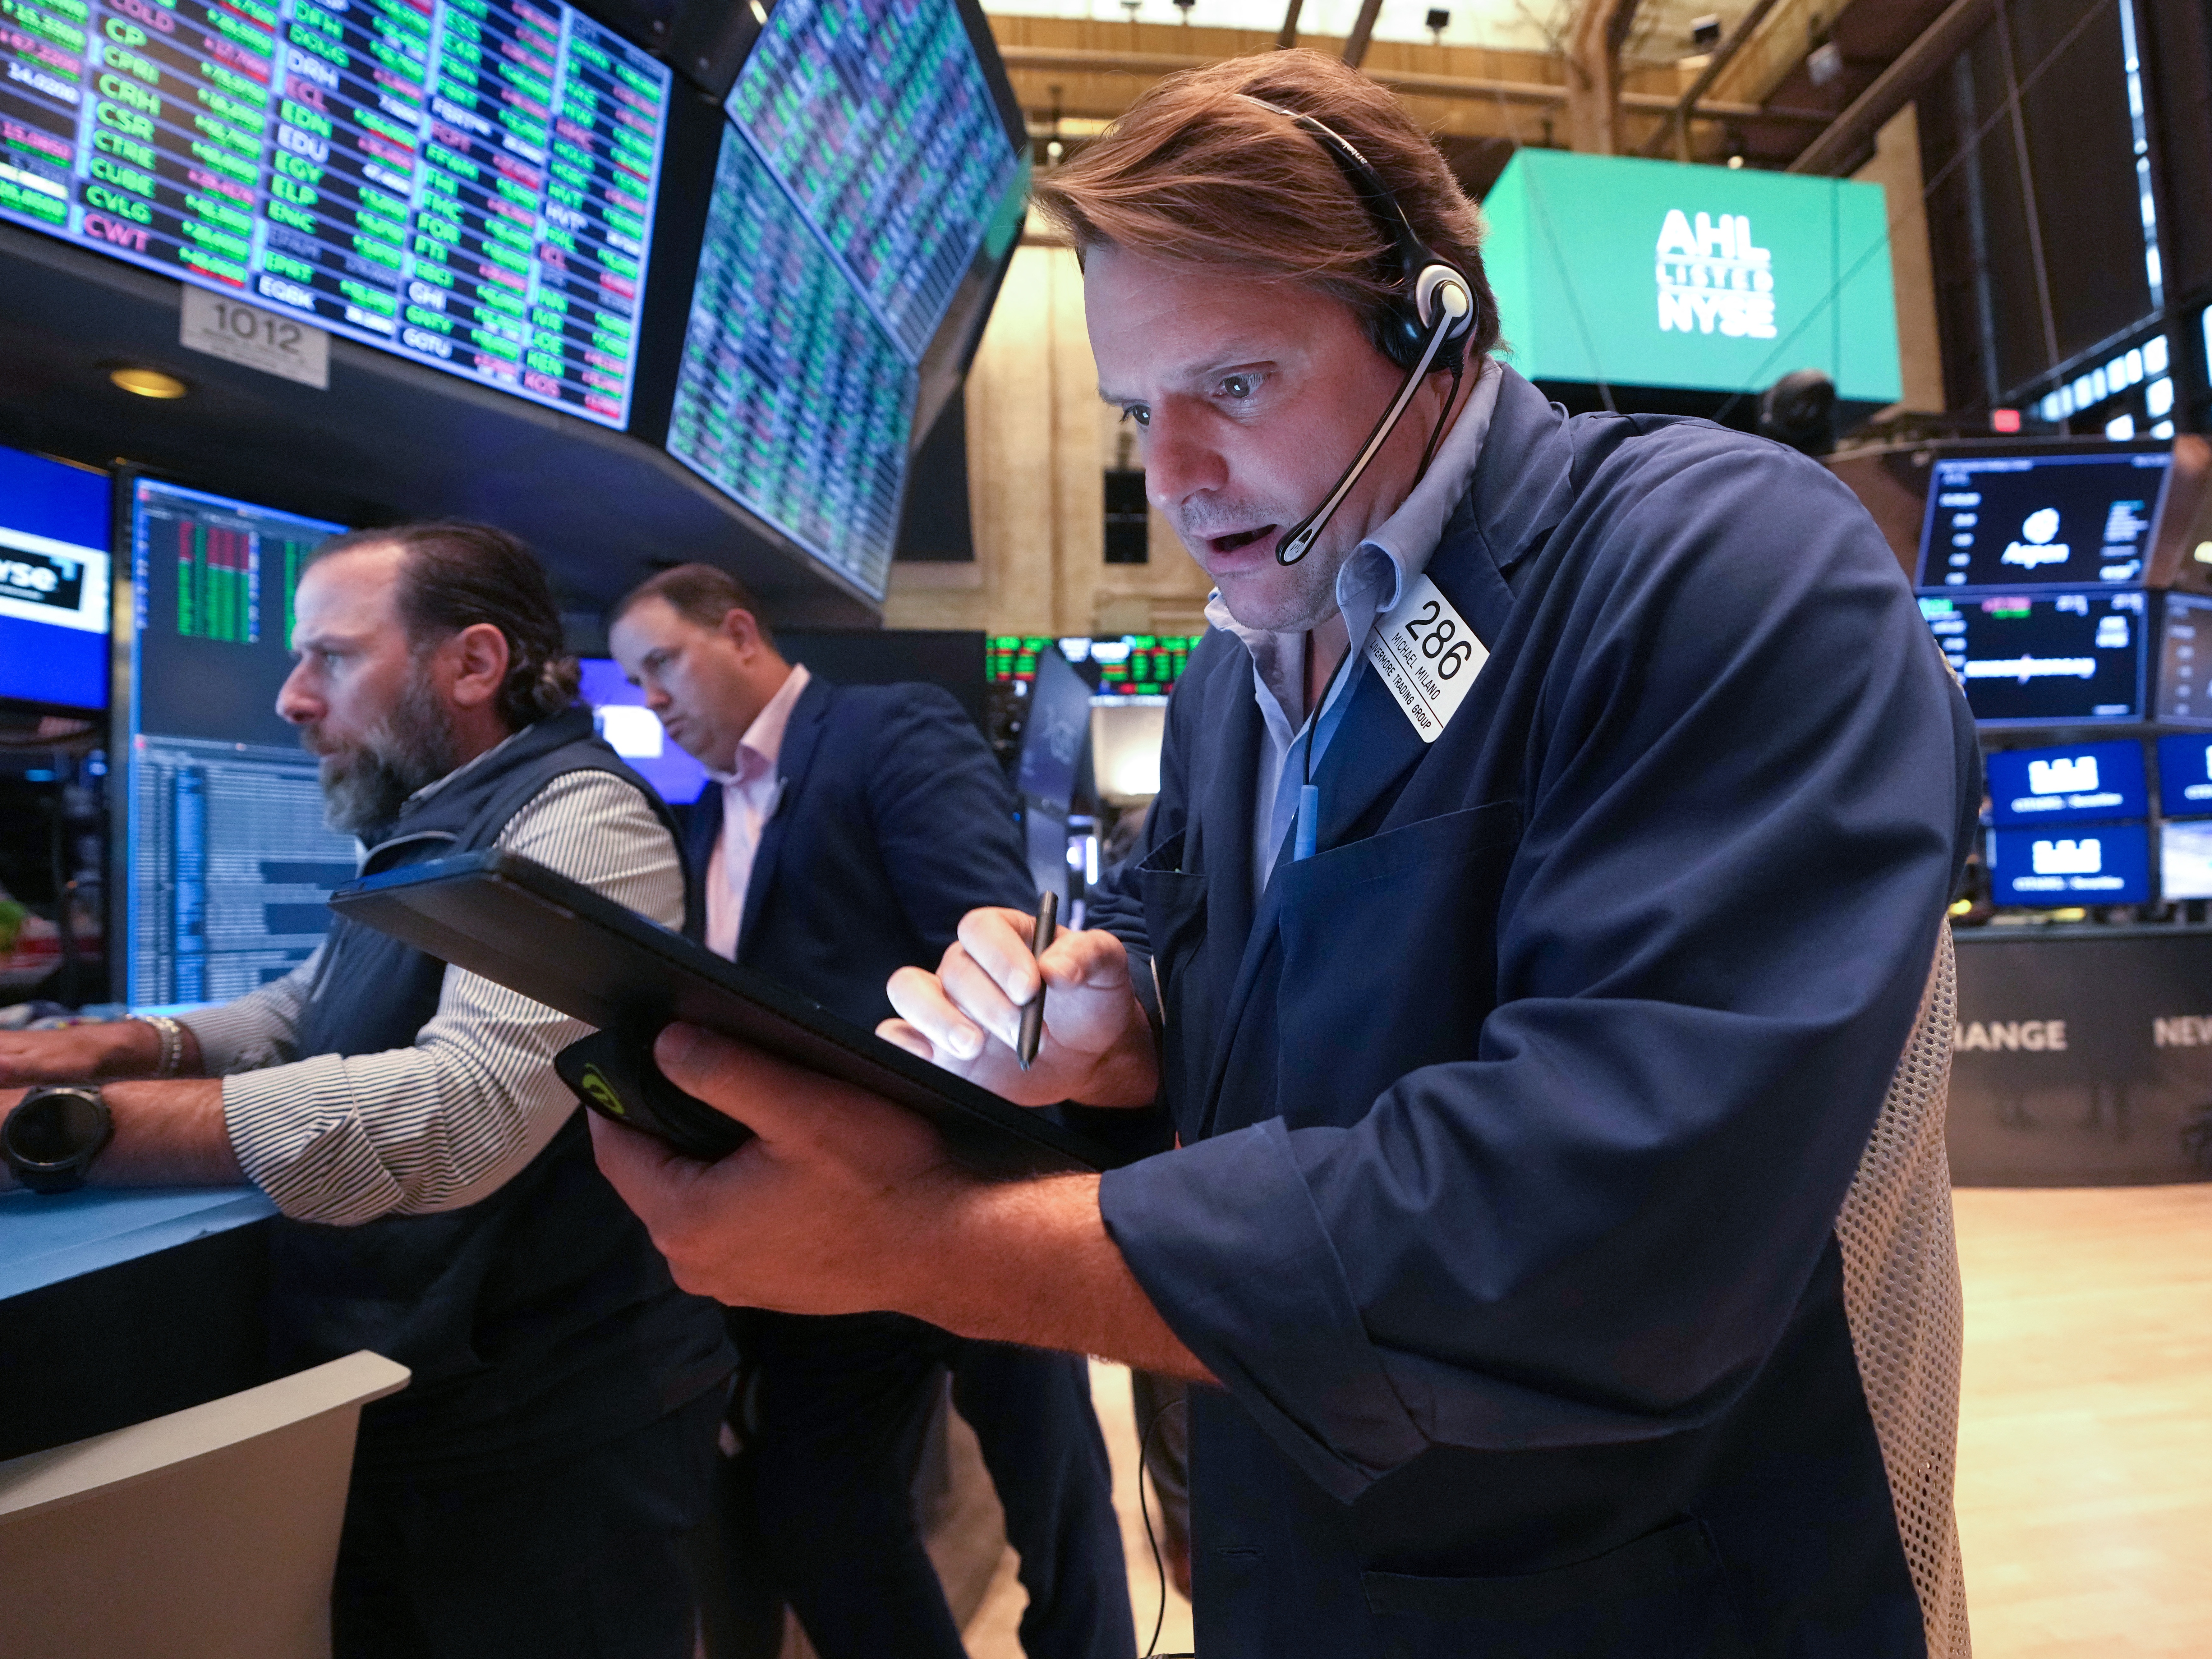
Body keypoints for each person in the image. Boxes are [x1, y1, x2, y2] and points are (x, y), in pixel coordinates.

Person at [584, 52, 1982, 1659]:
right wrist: (1114, 1035)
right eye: (1136, 409)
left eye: (1233, 384)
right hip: (1302, 1549)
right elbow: (1249, 1027)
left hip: (1657, 1583)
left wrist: (919, 1243)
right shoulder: (1236, 686)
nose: (1169, 474)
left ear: (1437, 328)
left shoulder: (1714, 562)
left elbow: (1617, 1220)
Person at [0, 524, 732, 1659]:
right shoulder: (435, 811)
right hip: (429, 1403)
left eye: (331, 658)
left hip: (552, 1435)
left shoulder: (583, 818)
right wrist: (108, 1048)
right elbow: (319, 998)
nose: (294, 697)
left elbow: (461, 1111)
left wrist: (72, 1134)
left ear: (473, 665)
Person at [606, 564, 1134, 1659]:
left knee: (1057, 1514)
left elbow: (984, 933)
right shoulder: (705, 824)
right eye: (633, 676)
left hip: (973, 1185)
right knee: (819, 1510)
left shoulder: (888, 733)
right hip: (831, 1227)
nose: (649, 696)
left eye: (662, 661)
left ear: (740, 631)